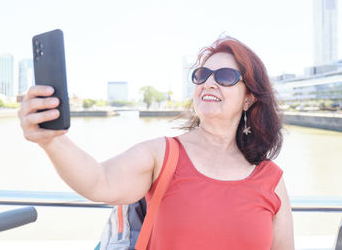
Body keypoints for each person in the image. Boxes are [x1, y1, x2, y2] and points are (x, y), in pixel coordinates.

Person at [18, 36, 294, 249]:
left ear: (249, 98)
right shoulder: (163, 155)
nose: (209, 83)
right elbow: (98, 181)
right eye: (202, 75)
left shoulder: (270, 179)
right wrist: (51, 141)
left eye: (225, 77)